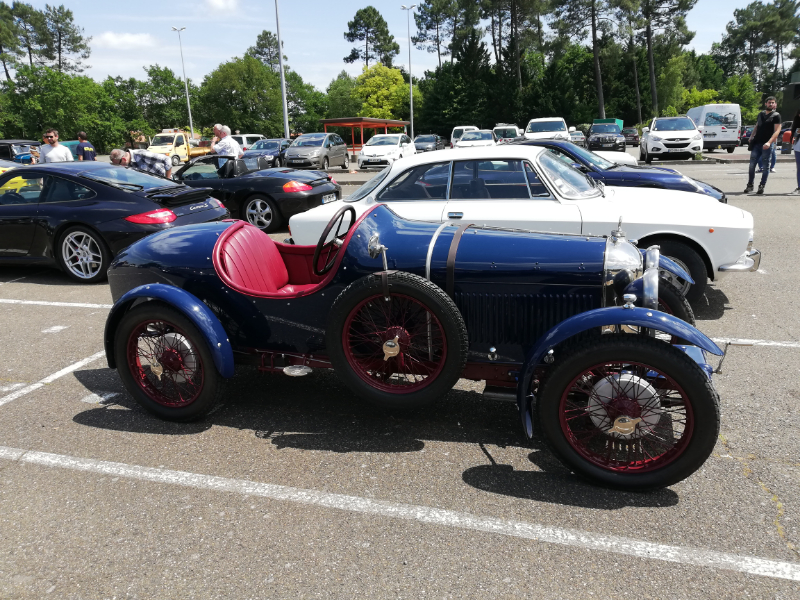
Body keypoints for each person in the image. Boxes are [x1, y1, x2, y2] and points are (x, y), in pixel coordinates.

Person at [745, 97, 781, 195]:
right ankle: (750, 185)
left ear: (775, 104)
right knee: (752, 165)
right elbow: (757, 126)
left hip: (767, 145)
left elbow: (777, 131)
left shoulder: (776, 115)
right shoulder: (761, 114)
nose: (771, 104)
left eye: (773, 103)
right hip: (757, 143)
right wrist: (751, 136)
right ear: (766, 104)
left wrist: (769, 142)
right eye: (769, 102)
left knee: (765, 166)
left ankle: (762, 186)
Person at [791, 108, 800, 194]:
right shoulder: (797, 124)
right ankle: (799, 187)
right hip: (798, 147)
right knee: (799, 168)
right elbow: (794, 134)